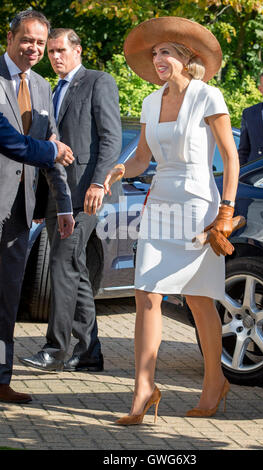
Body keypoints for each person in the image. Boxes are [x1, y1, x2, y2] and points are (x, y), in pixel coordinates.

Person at [103, 17, 240, 425]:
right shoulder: (149, 101)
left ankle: (215, 381)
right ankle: (144, 388)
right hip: (160, 202)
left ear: (185, 57)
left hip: (199, 204)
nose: (157, 58)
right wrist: (118, 169)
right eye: (154, 53)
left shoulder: (207, 96)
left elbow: (230, 157)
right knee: (146, 292)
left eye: (165, 52)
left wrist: (227, 211)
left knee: (199, 298)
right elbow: (143, 158)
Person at [20, 28, 122, 373]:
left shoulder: (98, 81)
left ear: (78, 50)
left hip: (85, 194)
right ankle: (89, 350)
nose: (55, 57)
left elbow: (111, 138)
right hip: (55, 191)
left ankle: (56, 349)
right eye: (50, 52)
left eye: (60, 50)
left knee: (63, 264)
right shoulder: (49, 90)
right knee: (74, 269)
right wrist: (38, 201)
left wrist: (98, 183)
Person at [0, 10, 74, 405]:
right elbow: (8, 140)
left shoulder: (44, 86)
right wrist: (52, 149)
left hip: (18, 214)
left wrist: (63, 206)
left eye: (40, 43)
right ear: (10, 37)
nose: (34, 48)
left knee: (6, 301)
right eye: (27, 40)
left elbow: (53, 149)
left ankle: (0, 378)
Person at [0, 111, 74, 167]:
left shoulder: (44, 91)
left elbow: (51, 134)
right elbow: (9, 139)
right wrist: (53, 150)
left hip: (31, 183)